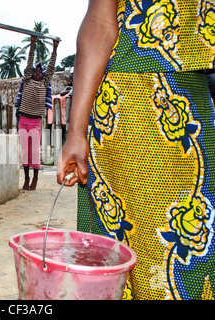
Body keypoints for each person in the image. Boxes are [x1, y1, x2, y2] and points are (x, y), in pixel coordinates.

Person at [58, 0, 215, 300]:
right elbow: (101, 21)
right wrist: (76, 132)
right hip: (138, 100)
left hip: (198, 92)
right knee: (156, 263)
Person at [16, 36, 59, 190]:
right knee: (25, 153)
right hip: (23, 120)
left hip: (35, 122)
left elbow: (52, 67)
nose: (39, 73)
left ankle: (35, 179)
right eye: (37, 71)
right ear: (32, 73)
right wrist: (32, 43)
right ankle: (26, 179)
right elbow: (29, 61)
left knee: (34, 152)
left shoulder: (44, 83)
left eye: (41, 72)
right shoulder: (27, 80)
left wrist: (55, 48)